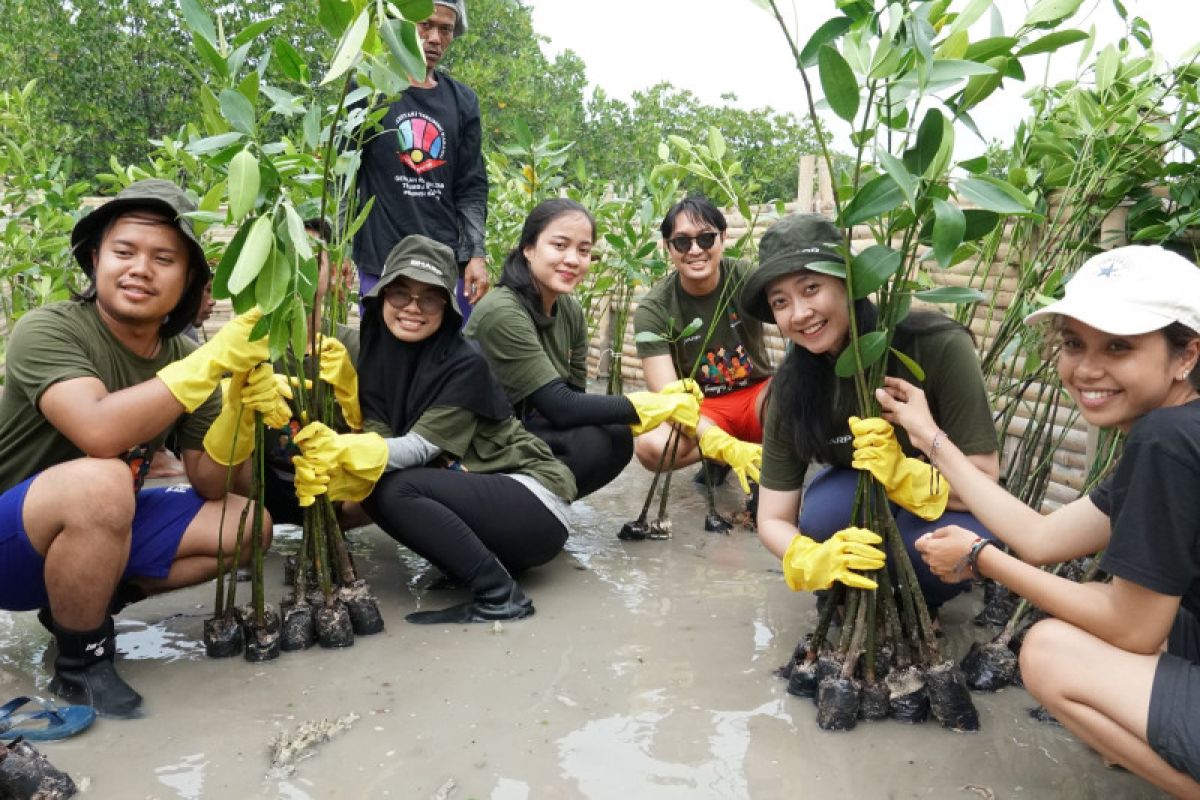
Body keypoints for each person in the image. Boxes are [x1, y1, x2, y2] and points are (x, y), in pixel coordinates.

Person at [878, 246, 1200, 797]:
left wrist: (980, 558)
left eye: (1119, 346)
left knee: (1049, 651)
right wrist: (928, 434)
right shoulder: (1179, 426)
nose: (1087, 368)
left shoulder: (1166, 441)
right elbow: (1042, 537)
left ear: (1185, 356)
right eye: (1074, 343)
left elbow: (1133, 627)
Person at [0, 179, 274, 718]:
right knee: (102, 479)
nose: (140, 269)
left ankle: (80, 605)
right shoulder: (46, 329)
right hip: (9, 540)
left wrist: (240, 409)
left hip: (98, 527)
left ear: (190, 280)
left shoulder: (183, 353)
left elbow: (215, 486)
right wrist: (205, 367)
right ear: (96, 259)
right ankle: (82, 662)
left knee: (250, 523)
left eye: (163, 258)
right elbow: (99, 431)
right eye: (124, 251)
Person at [291, 235, 578, 624]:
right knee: (375, 477)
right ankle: (478, 571)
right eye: (400, 295)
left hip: (533, 506)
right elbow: (375, 432)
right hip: (482, 507)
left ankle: (500, 596)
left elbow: (417, 449)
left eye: (429, 298)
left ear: (447, 308)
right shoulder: (376, 355)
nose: (412, 308)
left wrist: (340, 452)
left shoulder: (463, 364)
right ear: (381, 298)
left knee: (390, 484)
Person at [740, 212, 999, 610]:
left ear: (852, 283)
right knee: (823, 522)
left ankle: (922, 608)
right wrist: (810, 558)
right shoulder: (791, 389)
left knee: (922, 552)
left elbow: (985, 482)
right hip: (856, 492)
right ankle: (852, 599)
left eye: (811, 288)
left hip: (951, 501)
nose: (799, 313)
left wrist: (903, 473)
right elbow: (773, 518)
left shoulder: (937, 346)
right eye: (781, 302)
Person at [464, 198, 700, 498]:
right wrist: (650, 406)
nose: (573, 259)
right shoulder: (502, 310)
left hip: (520, 430)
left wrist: (642, 411)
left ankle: (541, 507)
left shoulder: (570, 310)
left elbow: (575, 395)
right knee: (593, 443)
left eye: (584, 250)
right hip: (477, 442)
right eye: (560, 246)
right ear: (528, 248)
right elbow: (561, 407)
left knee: (616, 435)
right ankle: (508, 505)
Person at [352, 0, 489, 318]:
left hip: (444, 264)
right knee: (385, 361)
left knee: (448, 360)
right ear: (400, 24)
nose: (435, 38)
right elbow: (344, 174)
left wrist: (475, 255)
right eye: (425, 25)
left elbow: (471, 186)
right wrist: (332, 249)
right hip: (381, 261)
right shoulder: (369, 89)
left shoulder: (462, 101)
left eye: (446, 29)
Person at [632, 195, 772, 495]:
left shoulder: (746, 279)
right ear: (669, 248)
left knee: (794, 401)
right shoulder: (654, 309)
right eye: (682, 242)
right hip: (700, 410)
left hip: (757, 396)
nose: (695, 250)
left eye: (706, 239)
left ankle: (773, 474)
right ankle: (720, 453)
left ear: (722, 238)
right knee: (650, 447)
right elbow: (669, 399)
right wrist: (721, 443)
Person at [258, 219, 369, 529]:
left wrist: (355, 410)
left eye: (310, 259)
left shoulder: (355, 348)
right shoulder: (246, 348)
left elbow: (381, 443)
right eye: (286, 257)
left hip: (340, 495)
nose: (296, 270)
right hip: (266, 494)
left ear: (336, 272)